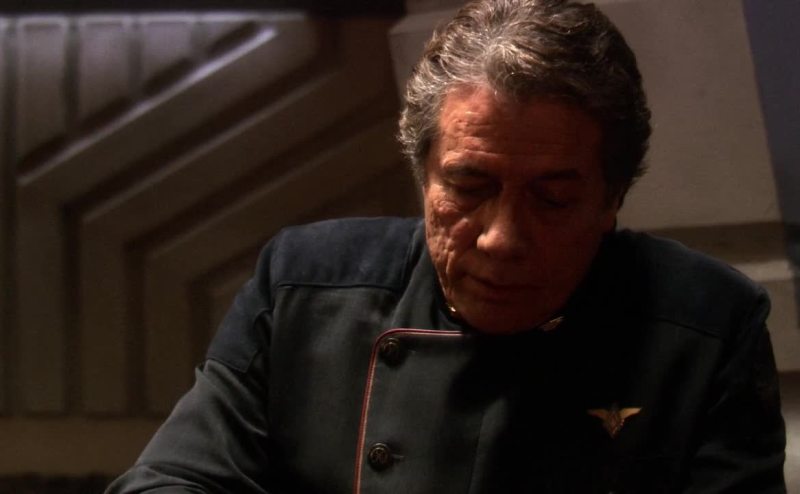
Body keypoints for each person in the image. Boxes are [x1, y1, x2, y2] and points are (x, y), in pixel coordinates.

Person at [107, 0, 786, 492]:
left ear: (612, 199)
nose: (501, 238)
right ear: (422, 174)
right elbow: (168, 481)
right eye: (468, 187)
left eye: (552, 199)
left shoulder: (706, 327)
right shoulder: (301, 288)